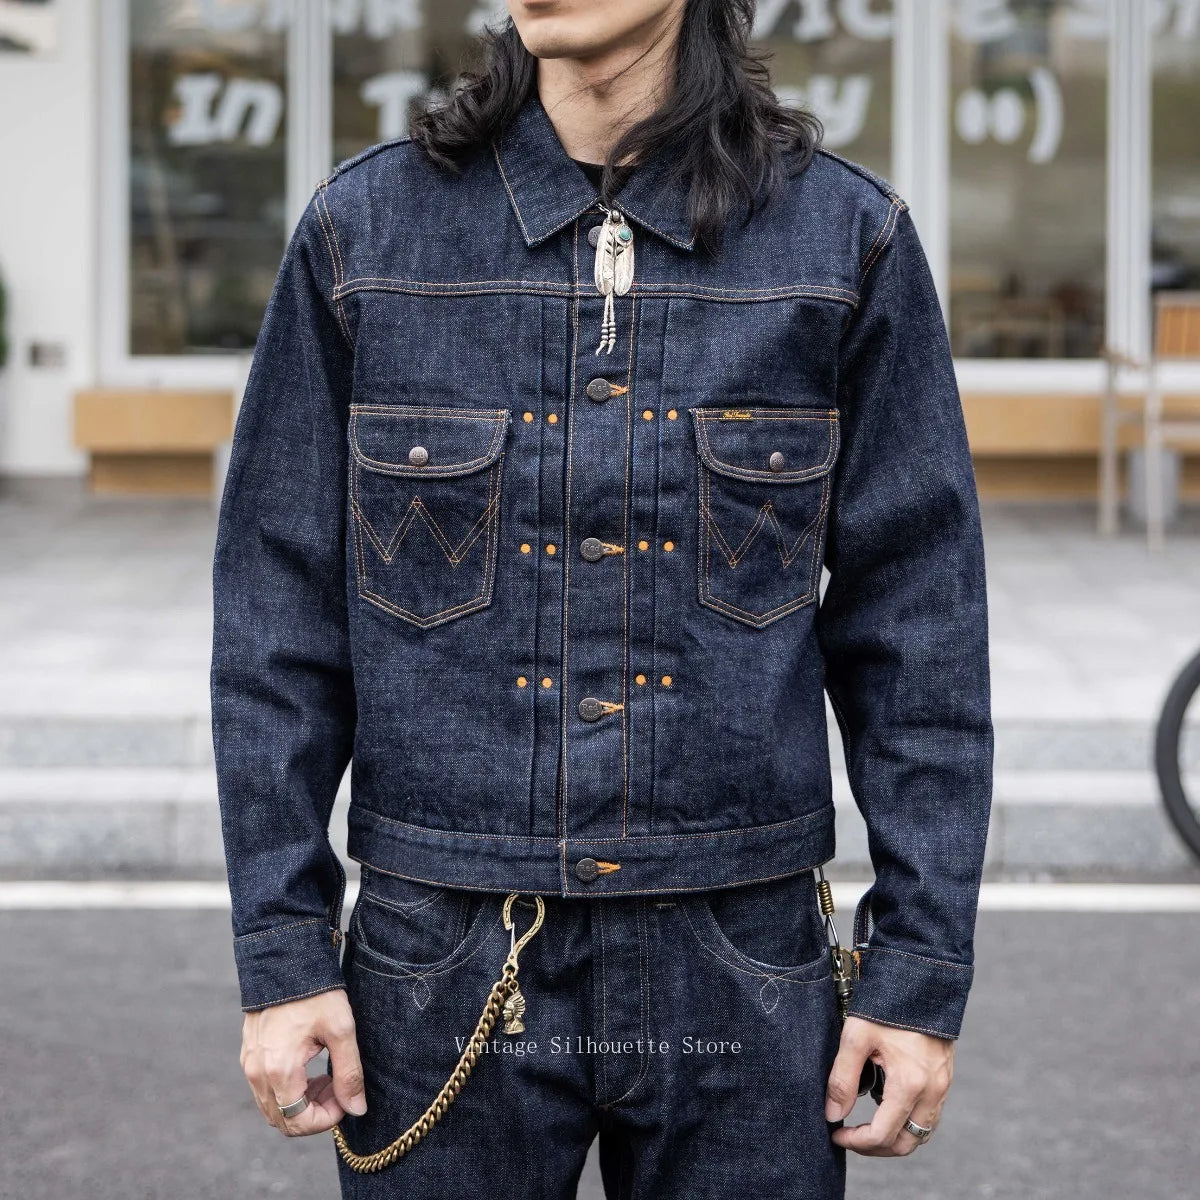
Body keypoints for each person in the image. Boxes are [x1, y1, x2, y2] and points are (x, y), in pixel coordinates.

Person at [210, 1, 993, 1196]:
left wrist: (918, 975)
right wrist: (283, 957)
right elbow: (278, 626)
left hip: (741, 952)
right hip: (441, 949)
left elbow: (918, 637)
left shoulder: (842, 241)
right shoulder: (367, 232)